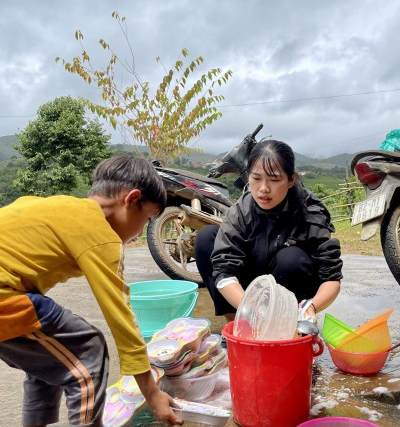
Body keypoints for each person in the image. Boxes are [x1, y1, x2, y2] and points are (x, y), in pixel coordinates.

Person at [0, 156, 183, 427]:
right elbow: (121, 319)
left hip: (11, 294)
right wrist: (152, 394)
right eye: (146, 220)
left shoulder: (54, 205)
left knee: (50, 361)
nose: (140, 232)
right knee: (89, 351)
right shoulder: (102, 236)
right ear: (131, 199)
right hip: (6, 298)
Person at [195, 139, 343, 322]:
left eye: (274, 179)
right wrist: (250, 309)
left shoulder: (310, 211)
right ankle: (236, 323)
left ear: (291, 180)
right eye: (256, 178)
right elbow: (224, 270)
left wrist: (310, 306)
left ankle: (288, 321)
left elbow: (331, 277)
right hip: (249, 291)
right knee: (206, 238)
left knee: (292, 259)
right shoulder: (242, 211)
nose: (263, 189)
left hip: (288, 287)